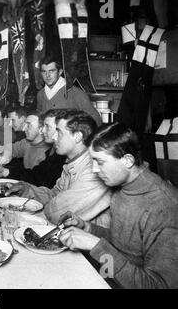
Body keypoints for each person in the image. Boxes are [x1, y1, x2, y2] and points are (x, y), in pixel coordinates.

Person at [58, 123, 178, 289]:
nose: (94, 170)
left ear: (128, 160)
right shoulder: (123, 186)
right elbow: (126, 245)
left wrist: (95, 245)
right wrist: (88, 229)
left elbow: (158, 285)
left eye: (100, 162)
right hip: (109, 278)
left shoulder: (163, 206)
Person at [6, 110, 111, 226]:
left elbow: (60, 212)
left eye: (59, 132)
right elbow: (55, 194)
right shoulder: (72, 163)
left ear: (77, 137)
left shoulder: (92, 170)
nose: (54, 137)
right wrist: (28, 189)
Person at [0, 109, 66, 187]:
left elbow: (39, 184)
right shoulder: (28, 142)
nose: (23, 129)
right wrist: (5, 168)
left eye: (29, 125)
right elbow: (34, 175)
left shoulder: (51, 153)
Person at [36, 55, 102, 126]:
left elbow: (96, 119)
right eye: (44, 72)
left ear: (60, 72)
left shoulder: (76, 93)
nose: (47, 75)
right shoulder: (40, 94)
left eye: (51, 71)